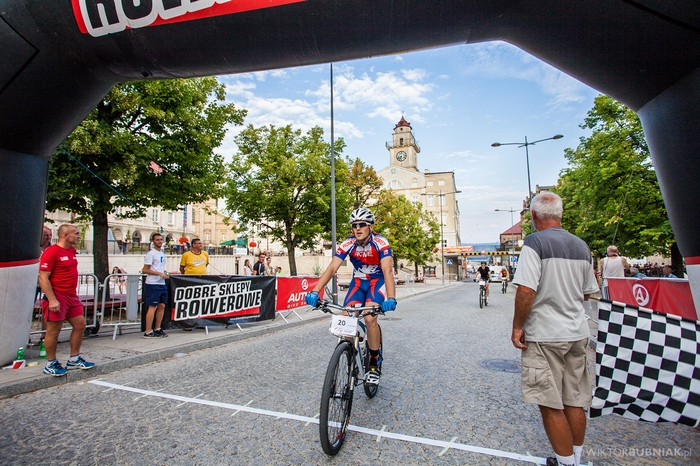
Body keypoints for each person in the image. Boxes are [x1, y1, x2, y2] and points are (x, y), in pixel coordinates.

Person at [511, 193, 599, 466]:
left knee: (550, 402)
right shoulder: (581, 246)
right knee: (574, 400)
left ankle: (565, 462)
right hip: (577, 332)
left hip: (545, 333)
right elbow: (588, 292)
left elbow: (526, 290)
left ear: (534, 216)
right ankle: (576, 458)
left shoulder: (535, 242)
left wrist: (517, 326)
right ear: (560, 215)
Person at [305, 208, 397, 385]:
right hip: (358, 283)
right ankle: (350, 352)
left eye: (362, 224)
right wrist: (315, 291)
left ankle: (373, 364)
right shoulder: (348, 243)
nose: (358, 228)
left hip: (376, 282)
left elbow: (387, 270)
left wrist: (391, 297)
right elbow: (332, 268)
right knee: (346, 316)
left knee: (369, 318)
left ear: (371, 226)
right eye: (354, 225)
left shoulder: (380, 242)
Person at [39, 224, 95, 376]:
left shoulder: (71, 250)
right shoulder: (51, 252)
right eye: (76, 233)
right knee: (54, 330)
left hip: (71, 296)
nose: (78, 236)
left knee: (80, 324)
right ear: (65, 235)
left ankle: (74, 358)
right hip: (57, 296)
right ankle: (51, 363)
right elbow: (43, 277)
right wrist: (52, 299)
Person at [142, 233, 169, 338]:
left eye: (161, 239)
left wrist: (166, 273)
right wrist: (158, 274)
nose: (160, 241)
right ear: (153, 241)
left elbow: (160, 268)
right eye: (157, 240)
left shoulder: (161, 253)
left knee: (162, 306)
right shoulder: (151, 254)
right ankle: (148, 331)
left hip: (161, 283)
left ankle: (158, 328)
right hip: (153, 283)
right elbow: (145, 270)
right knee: (153, 306)